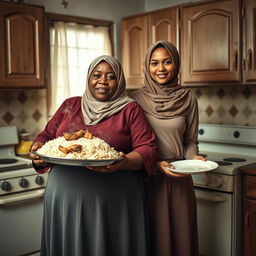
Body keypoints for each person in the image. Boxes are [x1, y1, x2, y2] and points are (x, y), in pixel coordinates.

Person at [30, 55, 158, 256]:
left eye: (110, 76)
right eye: (96, 75)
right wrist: (37, 150)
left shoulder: (130, 109)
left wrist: (122, 163)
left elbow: (148, 149)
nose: (103, 81)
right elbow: (45, 136)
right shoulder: (69, 105)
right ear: (88, 78)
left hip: (114, 198)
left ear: (119, 81)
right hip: (65, 197)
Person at [131, 41, 205, 256]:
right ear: (147, 66)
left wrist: (194, 157)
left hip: (179, 177)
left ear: (176, 64)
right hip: (146, 177)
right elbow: (131, 145)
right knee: (151, 239)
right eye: (154, 63)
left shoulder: (188, 98)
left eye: (167, 62)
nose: (160, 68)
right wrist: (153, 164)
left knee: (182, 239)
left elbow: (190, 140)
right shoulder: (135, 100)